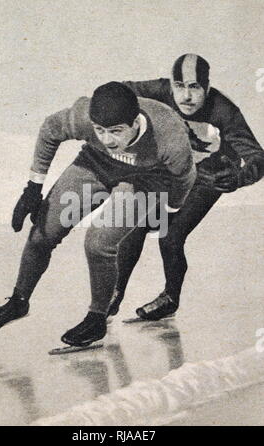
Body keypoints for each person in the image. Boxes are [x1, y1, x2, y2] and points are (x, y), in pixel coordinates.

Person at [0, 81, 196, 346]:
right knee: (43, 232)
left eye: (116, 131)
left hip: (147, 178)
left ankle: (97, 318)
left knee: (99, 242)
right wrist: (33, 188)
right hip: (98, 163)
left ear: (136, 123)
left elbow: (184, 178)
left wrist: (171, 211)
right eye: (100, 130)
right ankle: (18, 301)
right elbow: (49, 130)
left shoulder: (169, 136)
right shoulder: (83, 116)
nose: (107, 139)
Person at [108, 54, 264, 320]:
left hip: (210, 176)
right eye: (179, 86)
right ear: (170, 84)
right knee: (135, 227)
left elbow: (258, 157)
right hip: (176, 170)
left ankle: (170, 297)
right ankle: (112, 297)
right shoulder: (159, 90)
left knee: (170, 236)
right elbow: (117, 91)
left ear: (207, 87)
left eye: (195, 87)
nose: (186, 96)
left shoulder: (224, 110)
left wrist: (239, 177)